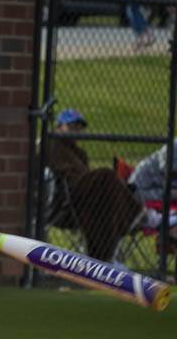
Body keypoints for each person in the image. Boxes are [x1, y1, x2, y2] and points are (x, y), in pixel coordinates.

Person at [46, 109, 142, 262]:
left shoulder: (80, 153)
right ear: (59, 126)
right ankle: (137, 214)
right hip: (66, 198)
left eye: (79, 127)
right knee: (106, 175)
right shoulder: (52, 144)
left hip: (85, 195)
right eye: (71, 126)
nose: (76, 130)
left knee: (107, 204)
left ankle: (104, 260)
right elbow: (61, 174)